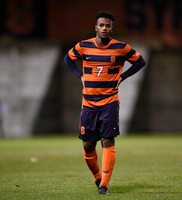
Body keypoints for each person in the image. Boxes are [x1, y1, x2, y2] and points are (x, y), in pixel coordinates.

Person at [64, 10, 146, 195]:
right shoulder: (84, 46)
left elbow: (140, 62)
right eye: (101, 25)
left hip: (109, 103)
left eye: (108, 26)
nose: (104, 28)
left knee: (107, 141)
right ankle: (97, 177)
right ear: (96, 27)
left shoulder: (121, 47)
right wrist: (80, 76)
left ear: (111, 28)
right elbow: (68, 58)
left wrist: (122, 77)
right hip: (88, 104)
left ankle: (105, 185)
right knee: (87, 145)